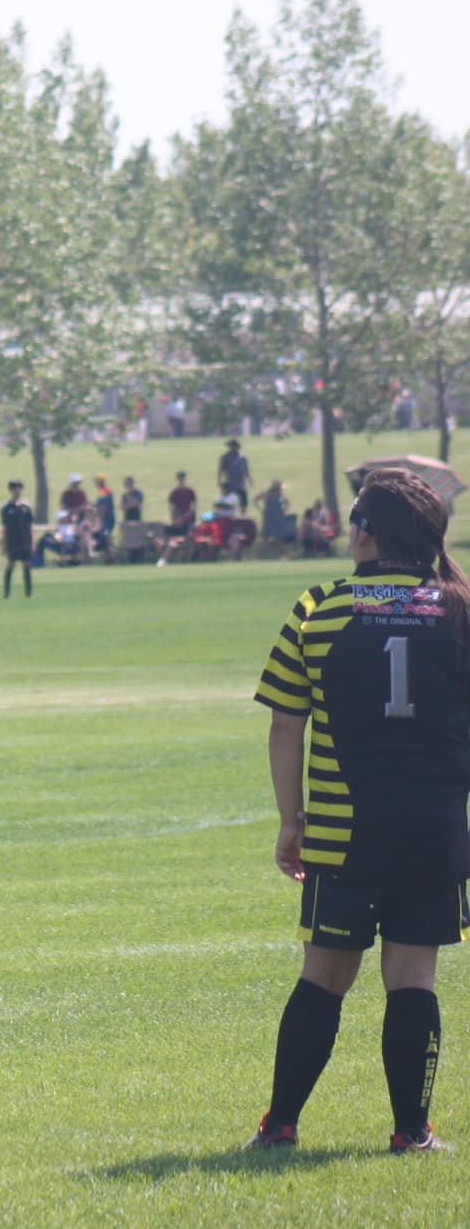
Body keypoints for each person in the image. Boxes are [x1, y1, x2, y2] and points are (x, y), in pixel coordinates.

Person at [246, 468, 469, 1155]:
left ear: (367, 534)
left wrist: (292, 820)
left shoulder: (320, 607)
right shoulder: (460, 610)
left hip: (343, 835)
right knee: (414, 979)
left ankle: (281, 1127)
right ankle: (411, 1133)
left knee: (324, 977)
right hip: (435, 834)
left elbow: (286, 723)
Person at [0, 481, 35, 600]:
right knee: (11, 564)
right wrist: (4, 544)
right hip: (12, 541)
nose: (17, 491)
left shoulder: (26, 507)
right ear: (10, 490)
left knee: (27, 565)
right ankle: (7, 593)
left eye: (19, 488)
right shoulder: (6, 508)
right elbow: (5, 528)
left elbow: (30, 526)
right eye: (15, 488)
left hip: (25, 541)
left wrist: (33, 542)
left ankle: (29, 593)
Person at [258, 480, 297, 545]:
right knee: (267, 533)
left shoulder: (280, 494)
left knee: (278, 533)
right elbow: (255, 500)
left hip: (277, 515)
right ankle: (266, 547)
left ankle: (278, 546)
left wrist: (285, 510)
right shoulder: (267, 493)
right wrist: (260, 509)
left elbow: (288, 502)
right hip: (270, 515)